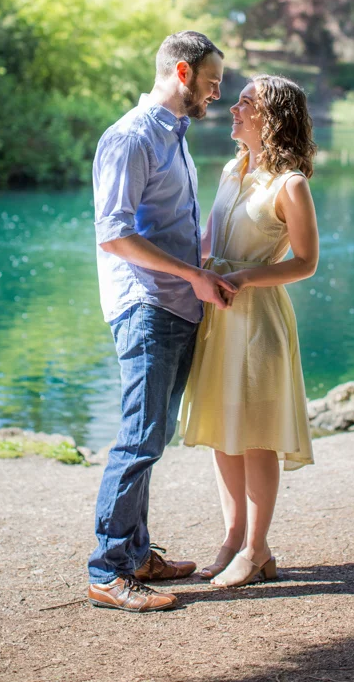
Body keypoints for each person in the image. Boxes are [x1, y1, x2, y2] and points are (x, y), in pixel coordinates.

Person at [87, 31, 237, 613]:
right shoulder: (129, 137)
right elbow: (114, 235)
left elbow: (170, 222)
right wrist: (193, 276)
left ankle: (138, 552)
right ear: (182, 72)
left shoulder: (174, 137)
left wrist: (209, 267)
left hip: (176, 304)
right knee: (139, 438)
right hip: (147, 306)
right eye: (211, 81)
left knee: (153, 437)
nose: (217, 94)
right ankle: (107, 570)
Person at [180, 74, 319, 587]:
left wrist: (243, 276)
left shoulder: (291, 184)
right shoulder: (230, 169)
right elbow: (208, 240)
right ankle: (232, 538)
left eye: (245, 102)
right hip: (218, 315)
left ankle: (258, 550)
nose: (232, 108)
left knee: (257, 437)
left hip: (259, 320)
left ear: (271, 117)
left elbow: (306, 263)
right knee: (223, 430)